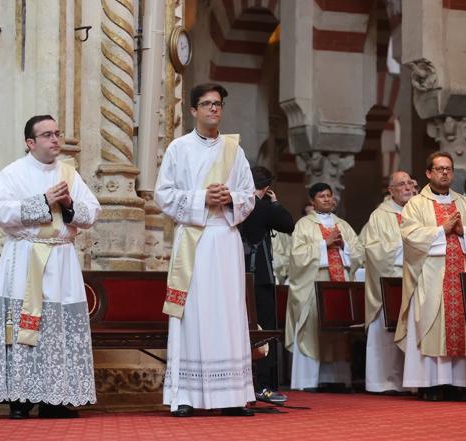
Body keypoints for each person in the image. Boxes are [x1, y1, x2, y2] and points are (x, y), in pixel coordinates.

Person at [0, 115, 101, 419]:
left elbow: (92, 211)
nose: (55, 140)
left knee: (58, 328)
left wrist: (70, 206)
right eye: (47, 135)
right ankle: (20, 398)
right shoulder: (12, 174)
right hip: (25, 259)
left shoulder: (69, 174)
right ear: (30, 143)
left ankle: (55, 399)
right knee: (26, 326)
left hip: (61, 260)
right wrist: (43, 200)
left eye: (57, 133)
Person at [154, 83, 256, 417]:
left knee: (228, 314)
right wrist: (201, 199)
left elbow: (249, 194)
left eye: (218, 104)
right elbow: (163, 194)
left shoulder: (234, 150)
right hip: (193, 240)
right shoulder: (178, 149)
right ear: (193, 110)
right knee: (193, 314)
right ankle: (184, 395)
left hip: (225, 238)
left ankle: (232, 396)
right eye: (207, 104)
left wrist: (231, 199)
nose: (214, 109)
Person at [395, 152, 466, 401]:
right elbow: (409, 236)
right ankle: (428, 383)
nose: (444, 173)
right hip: (430, 276)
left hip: (461, 272)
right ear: (429, 173)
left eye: (448, 169)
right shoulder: (416, 205)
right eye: (439, 169)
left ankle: (457, 384)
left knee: (459, 326)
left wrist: (464, 232)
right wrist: (442, 231)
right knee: (430, 324)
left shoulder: (465, 204)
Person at [285, 182, 364, 391]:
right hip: (314, 284)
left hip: (340, 285)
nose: (327, 199)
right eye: (322, 196)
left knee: (339, 331)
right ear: (312, 201)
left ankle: (338, 379)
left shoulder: (344, 226)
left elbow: (359, 253)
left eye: (329, 195)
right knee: (312, 328)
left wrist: (344, 246)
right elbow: (296, 256)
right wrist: (324, 244)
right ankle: (308, 381)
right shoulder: (303, 224)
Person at [239, 166, 294, 403]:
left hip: (233, 276)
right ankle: (265, 386)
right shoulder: (260, 206)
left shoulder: (235, 204)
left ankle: (240, 383)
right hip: (258, 277)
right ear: (268, 187)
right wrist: (274, 203)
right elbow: (288, 224)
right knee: (264, 330)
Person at [362, 171, 415, 393]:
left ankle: (413, 381)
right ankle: (383, 382)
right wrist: (405, 246)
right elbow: (372, 249)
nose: (406, 188)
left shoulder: (420, 211)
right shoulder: (379, 215)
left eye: (409, 183)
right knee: (385, 332)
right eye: (400, 185)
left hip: (415, 278)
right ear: (391, 191)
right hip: (390, 279)